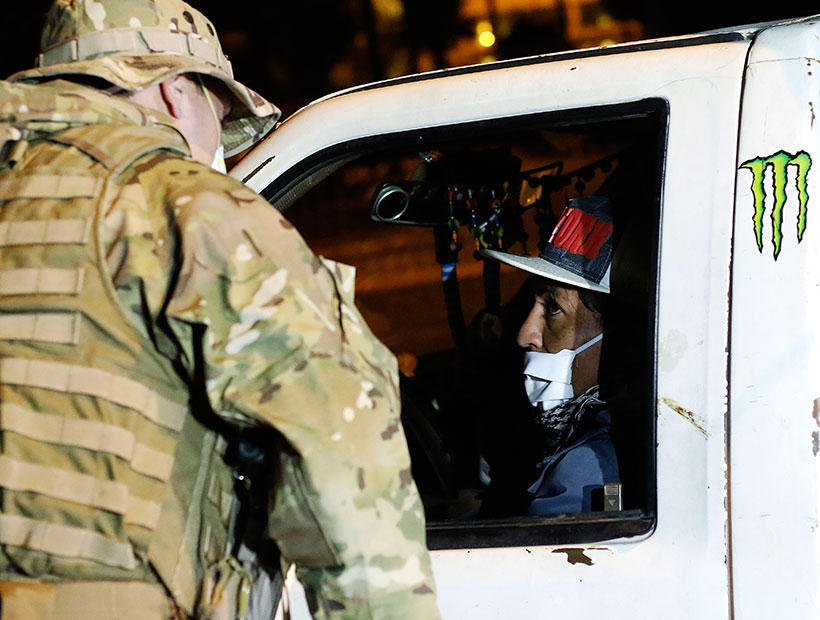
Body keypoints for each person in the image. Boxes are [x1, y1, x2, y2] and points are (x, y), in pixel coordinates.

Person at [0, 1, 441, 619]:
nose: (218, 151)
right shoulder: (182, 204)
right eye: (221, 115)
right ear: (177, 91)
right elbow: (344, 459)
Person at [484, 196, 620, 515]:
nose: (525, 335)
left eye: (553, 308)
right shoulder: (571, 440)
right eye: (533, 305)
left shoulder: (591, 465)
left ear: (616, 334)